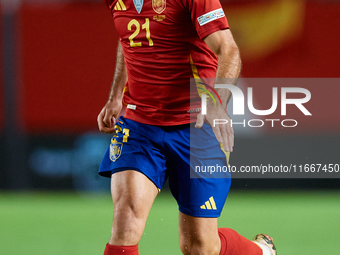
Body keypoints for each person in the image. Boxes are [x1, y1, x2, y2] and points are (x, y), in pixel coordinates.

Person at [97, 0, 277, 254]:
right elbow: (128, 37)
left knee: (199, 247)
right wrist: (116, 96)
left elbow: (229, 49)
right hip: (139, 125)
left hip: (196, 127)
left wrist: (216, 101)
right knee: (124, 225)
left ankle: (260, 251)